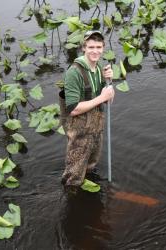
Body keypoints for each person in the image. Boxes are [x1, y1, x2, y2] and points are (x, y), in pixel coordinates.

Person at [60, 30, 115, 191]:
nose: (95, 51)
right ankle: (72, 198)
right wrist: (102, 97)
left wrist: (108, 82)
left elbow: (109, 100)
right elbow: (73, 109)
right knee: (73, 177)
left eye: (99, 47)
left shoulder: (99, 68)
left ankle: (88, 191)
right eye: (91, 47)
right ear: (84, 47)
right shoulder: (74, 72)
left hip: (96, 126)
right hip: (79, 129)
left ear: (103, 48)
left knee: (91, 165)